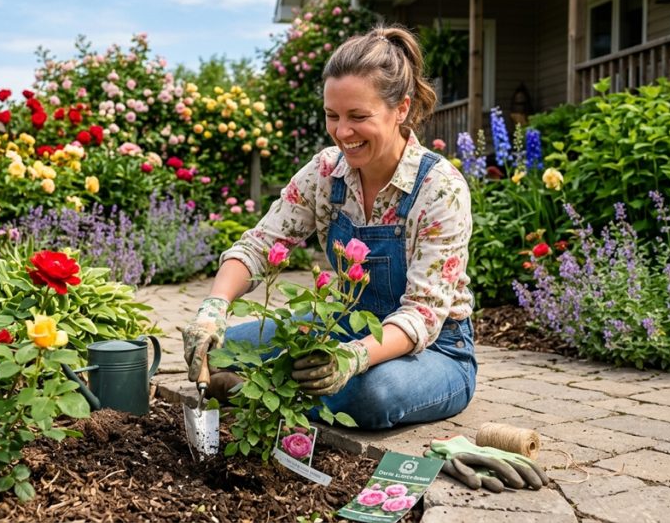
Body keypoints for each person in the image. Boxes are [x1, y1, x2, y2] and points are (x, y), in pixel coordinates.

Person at [182, 25, 476, 430]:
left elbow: (422, 315)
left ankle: (264, 392)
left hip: (433, 350)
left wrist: (353, 358)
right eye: (332, 116)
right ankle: (276, 390)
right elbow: (260, 245)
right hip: (344, 327)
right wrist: (213, 308)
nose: (342, 132)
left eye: (358, 116)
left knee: (372, 395)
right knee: (217, 352)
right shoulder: (325, 172)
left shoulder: (439, 188)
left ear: (402, 109)